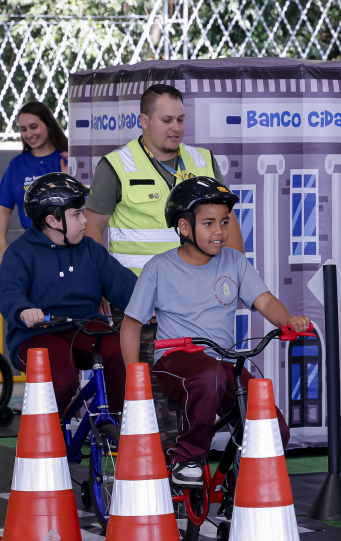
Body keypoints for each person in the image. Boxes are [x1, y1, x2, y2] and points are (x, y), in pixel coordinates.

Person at [119, 176, 310, 488]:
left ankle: (238, 481)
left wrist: (288, 323)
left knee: (270, 422)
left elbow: (265, 300)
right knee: (208, 377)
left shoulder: (234, 261)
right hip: (176, 361)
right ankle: (187, 457)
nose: (220, 231)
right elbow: (131, 324)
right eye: (209, 223)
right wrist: (133, 375)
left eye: (224, 222)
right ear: (184, 228)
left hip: (222, 364)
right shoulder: (159, 267)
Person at [84, 83, 246, 449]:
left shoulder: (203, 161)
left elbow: (227, 224)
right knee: (155, 406)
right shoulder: (116, 166)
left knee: (200, 396)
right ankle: (159, 485)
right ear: (144, 121)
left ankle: (189, 480)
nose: (176, 127)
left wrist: (236, 280)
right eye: (166, 119)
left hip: (197, 304)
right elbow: (93, 233)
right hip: (141, 304)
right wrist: (102, 292)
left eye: (181, 119)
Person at [0, 173, 137, 414]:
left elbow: (122, 283)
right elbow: (9, 292)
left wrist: (148, 303)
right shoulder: (19, 252)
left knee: (119, 353)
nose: (84, 221)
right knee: (63, 379)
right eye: (76, 214)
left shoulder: (91, 249)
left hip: (84, 326)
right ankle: (45, 434)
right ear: (52, 220)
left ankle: (111, 425)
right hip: (37, 334)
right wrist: (23, 310)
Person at [0, 101, 69, 265]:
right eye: (23, 129)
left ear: (48, 125)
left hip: (67, 244)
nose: (29, 134)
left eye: (34, 126)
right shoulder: (17, 164)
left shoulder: (67, 159)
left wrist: (68, 177)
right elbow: (4, 209)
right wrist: (0, 243)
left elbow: (83, 204)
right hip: (33, 247)